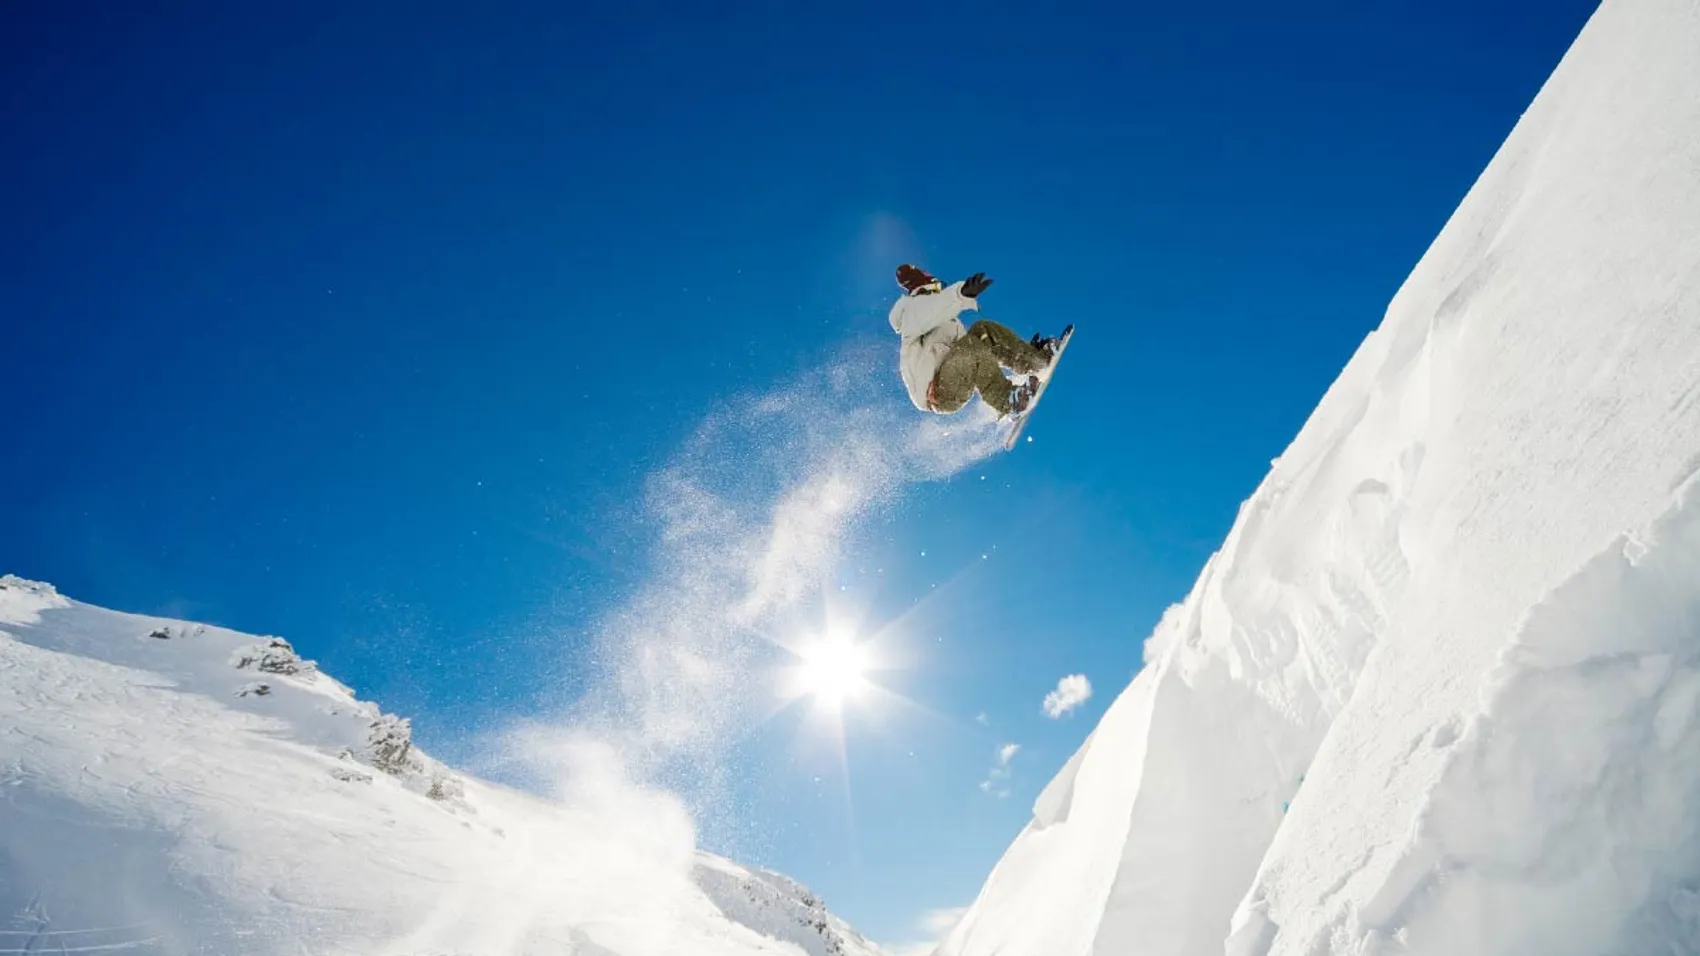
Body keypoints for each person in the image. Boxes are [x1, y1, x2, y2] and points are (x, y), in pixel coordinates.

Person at [887, 264, 1062, 419]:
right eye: (939, 287)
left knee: (982, 330)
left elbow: (977, 354)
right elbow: (931, 308)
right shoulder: (911, 311)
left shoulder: (942, 323)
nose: (942, 290)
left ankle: (1035, 360)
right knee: (971, 346)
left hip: (952, 374)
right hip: (939, 393)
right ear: (926, 289)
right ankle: (1009, 401)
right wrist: (959, 294)